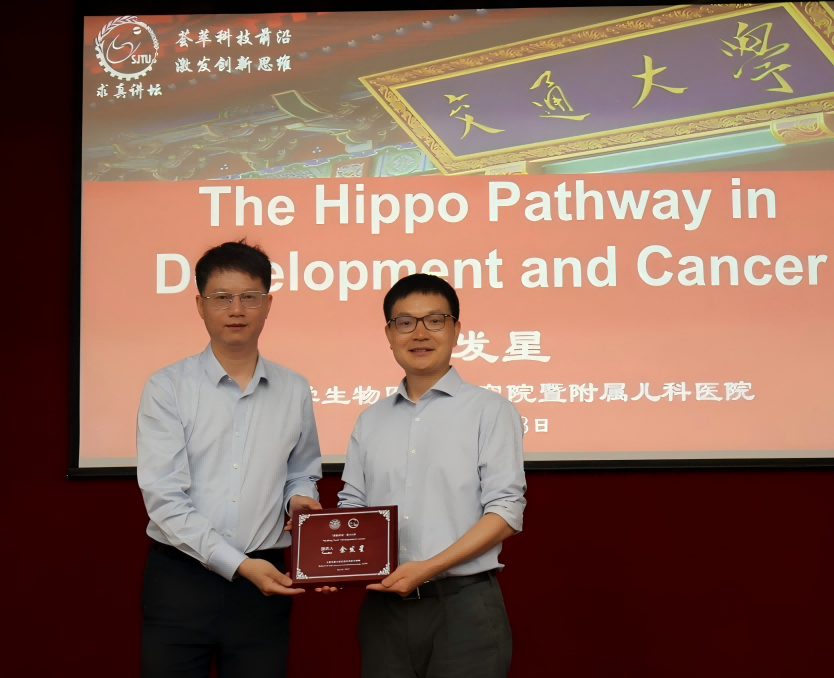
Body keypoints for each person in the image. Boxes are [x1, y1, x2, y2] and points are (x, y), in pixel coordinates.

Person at [137, 239, 322, 677]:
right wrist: (238, 564)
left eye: (249, 297)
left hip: (264, 585)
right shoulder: (167, 388)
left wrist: (301, 500)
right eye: (222, 298)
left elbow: (301, 471)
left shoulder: (294, 388)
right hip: (181, 580)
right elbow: (164, 498)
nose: (236, 310)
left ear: (268, 304)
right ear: (200, 305)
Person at [337, 273, 527, 678]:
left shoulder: (490, 411)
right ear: (389, 334)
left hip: (464, 607)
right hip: (384, 610)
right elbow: (353, 506)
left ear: (456, 330)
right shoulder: (370, 420)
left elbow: (507, 512)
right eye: (405, 322)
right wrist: (331, 561)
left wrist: (429, 567)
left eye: (435, 320)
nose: (420, 333)